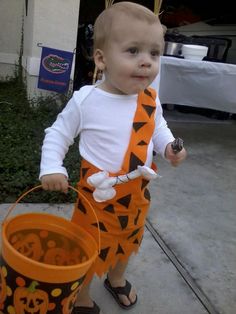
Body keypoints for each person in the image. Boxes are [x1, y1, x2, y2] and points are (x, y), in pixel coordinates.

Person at [39, 2, 187, 313]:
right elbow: (58, 134)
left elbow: (158, 127)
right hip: (97, 197)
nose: (146, 62)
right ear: (102, 59)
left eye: (154, 53)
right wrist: (52, 167)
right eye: (133, 51)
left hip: (135, 194)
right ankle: (81, 296)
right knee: (88, 248)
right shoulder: (87, 100)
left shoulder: (149, 99)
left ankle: (116, 278)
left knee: (130, 240)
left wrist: (170, 146)